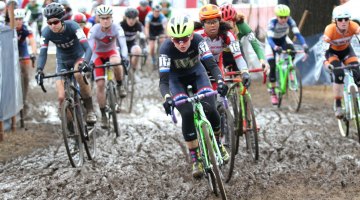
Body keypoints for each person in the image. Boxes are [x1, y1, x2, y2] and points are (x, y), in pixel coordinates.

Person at [159, 14, 228, 178]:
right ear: (171, 38)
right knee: (187, 113)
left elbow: (211, 65)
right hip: (176, 81)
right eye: (176, 40)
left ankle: (218, 143)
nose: (181, 44)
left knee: (210, 109)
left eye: (184, 38)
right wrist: (167, 98)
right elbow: (163, 81)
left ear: (191, 35)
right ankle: (195, 157)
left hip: (198, 74)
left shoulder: (198, 41)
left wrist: (220, 82)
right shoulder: (165, 49)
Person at [35, 3, 97, 124]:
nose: (53, 26)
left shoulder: (73, 26)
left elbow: (88, 48)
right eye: (49, 23)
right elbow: (43, 53)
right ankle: (69, 127)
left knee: (78, 75)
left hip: (77, 57)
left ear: (62, 20)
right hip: (62, 61)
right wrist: (39, 70)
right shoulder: (46, 32)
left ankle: (90, 110)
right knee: (61, 97)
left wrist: (85, 62)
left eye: (56, 22)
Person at [88, 5, 129, 129]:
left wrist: (125, 57)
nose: (105, 20)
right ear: (98, 19)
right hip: (97, 55)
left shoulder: (117, 28)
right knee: (100, 85)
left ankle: (120, 84)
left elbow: (123, 45)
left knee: (117, 61)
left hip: (112, 52)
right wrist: (89, 61)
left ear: (112, 18)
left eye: (108, 18)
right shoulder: (94, 30)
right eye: (103, 18)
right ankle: (103, 115)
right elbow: (89, 48)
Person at [195, 4, 250, 90]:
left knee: (220, 93)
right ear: (203, 24)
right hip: (199, 64)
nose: (212, 25)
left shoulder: (228, 35)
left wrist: (245, 72)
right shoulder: (196, 35)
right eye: (209, 22)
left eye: (215, 21)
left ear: (220, 21)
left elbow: (238, 56)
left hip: (216, 64)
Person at [265, 4, 308, 105]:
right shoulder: (272, 22)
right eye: (281, 17)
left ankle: (290, 70)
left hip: (283, 39)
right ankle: (273, 93)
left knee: (292, 51)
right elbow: (270, 39)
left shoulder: (290, 21)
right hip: (272, 43)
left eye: (285, 17)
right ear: (277, 16)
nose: (284, 19)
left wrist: (304, 45)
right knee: (272, 65)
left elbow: (298, 34)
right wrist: (275, 48)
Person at [323, 6, 360, 119]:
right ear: (335, 21)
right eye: (340, 19)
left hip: (347, 51)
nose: (343, 22)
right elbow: (323, 50)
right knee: (339, 74)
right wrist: (326, 64)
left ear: (349, 20)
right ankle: (338, 104)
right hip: (332, 53)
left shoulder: (354, 26)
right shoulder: (330, 30)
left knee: (358, 73)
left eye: (346, 19)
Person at [220, 3, 270, 73]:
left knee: (245, 78)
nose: (226, 26)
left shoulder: (242, 26)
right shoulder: (219, 28)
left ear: (234, 21)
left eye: (228, 22)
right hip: (223, 54)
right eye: (223, 23)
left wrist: (262, 60)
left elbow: (255, 44)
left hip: (238, 51)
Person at [15, 8, 37, 113]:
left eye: (20, 19)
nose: (18, 21)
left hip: (22, 49)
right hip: (11, 50)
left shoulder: (26, 28)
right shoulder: (8, 28)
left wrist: (33, 53)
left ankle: (24, 98)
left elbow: (32, 41)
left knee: (25, 75)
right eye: (16, 19)